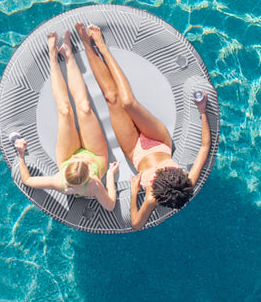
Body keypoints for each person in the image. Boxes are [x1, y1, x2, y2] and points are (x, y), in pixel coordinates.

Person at [76, 23, 211, 230]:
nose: (157, 173)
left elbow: (137, 224)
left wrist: (133, 191)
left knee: (112, 98)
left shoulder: (152, 197)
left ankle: (87, 44)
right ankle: (102, 47)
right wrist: (202, 111)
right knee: (128, 102)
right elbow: (204, 147)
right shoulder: (188, 181)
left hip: (135, 152)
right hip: (159, 142)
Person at [12, 32, 119, 210]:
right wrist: (109, 176)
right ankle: (68, 54)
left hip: (66, 156)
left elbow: (27, 180)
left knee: (65, 111)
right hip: (96, 155)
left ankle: (53, 57)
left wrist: (21, 155)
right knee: (84, 107)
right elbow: (110, 205)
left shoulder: (58, 181)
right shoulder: (93, 185)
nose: (79, 158)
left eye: (76, 161)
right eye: (81, 162)